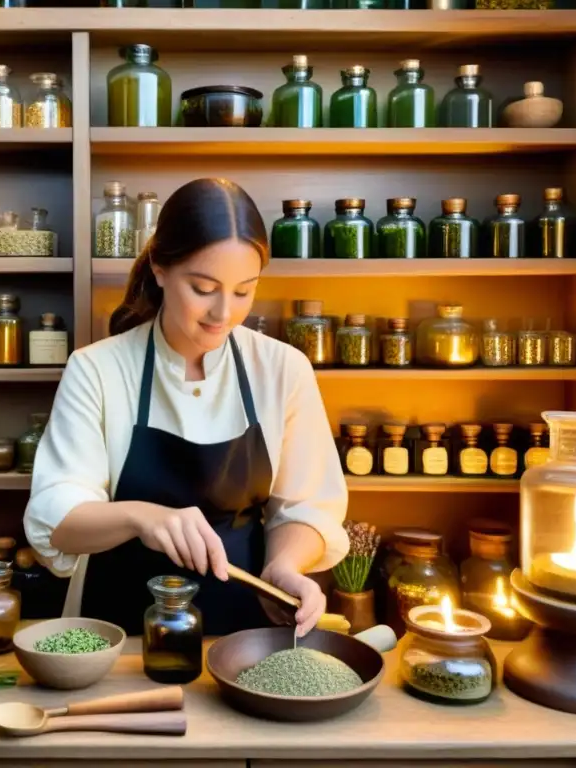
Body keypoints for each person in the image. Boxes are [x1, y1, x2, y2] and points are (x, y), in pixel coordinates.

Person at [24, 178, 347, 637]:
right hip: (121, 633)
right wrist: (144, 516)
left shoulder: (283, 369)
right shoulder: (97, 369)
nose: (223, 313)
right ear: (159, 267)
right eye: (203, 287)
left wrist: (287, 565)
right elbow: (57, 518)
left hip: (246, 633)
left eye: (243, 291)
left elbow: (307, 506)